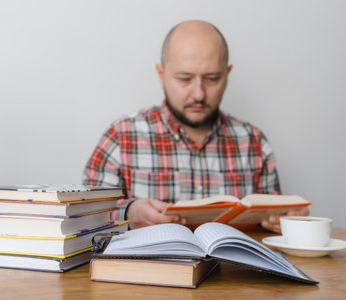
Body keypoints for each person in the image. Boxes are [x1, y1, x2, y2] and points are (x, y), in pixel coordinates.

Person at [83, 20, 308, 233]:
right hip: (148, 273)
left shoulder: (254, 142)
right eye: (184, 79)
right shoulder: (121, 137)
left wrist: (286, 220)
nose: (199, 94)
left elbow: (273, 225)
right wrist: (127, 213)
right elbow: (82, 219)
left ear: (227, 75)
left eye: (212, 78)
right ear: (161, 75)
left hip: (233, 274)